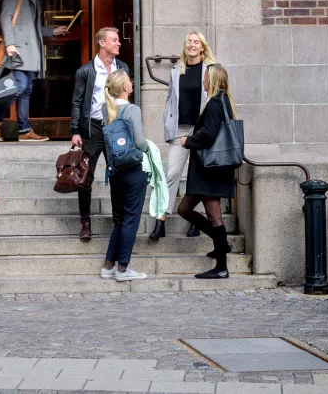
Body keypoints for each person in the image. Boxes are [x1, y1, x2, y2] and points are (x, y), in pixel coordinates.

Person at [0, 0, 67, 143]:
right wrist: (10, 44)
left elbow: (34, 28)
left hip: (30, 53)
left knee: (26, 90)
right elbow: (5, 17)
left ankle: (24, 130)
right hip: (18, 51)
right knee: (19, 85)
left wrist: (52, 31)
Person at [151, 31, 217, 240]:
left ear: (202, 48)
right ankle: (161, 221)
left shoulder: (211, 70)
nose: (191, 45)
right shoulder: (176, 69)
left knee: (198, 178)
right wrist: (167, 121)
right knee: (171, 174)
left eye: (196, 42)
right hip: (179, 130)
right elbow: (171, 98)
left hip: (201, 132)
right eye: (188, 41)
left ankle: (194, 220)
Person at [177, 64, 237, 280]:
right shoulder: (223, 101)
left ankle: (221, 267)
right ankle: (222, 244)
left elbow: (209, 135)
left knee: (214, 215)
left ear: (211, 80)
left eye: (205, 77)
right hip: (209, 170)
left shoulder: (214, 103)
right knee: (184, 209)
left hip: (209, 169)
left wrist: (188, 141)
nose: (202, 80)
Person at [70, 27, 129, 240]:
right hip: (92, 128)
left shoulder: (122, 68)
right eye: (114, 40)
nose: (119, 43)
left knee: (118, 174)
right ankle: (85, 222)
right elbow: (77, 102)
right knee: (85, 176)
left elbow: (126, 99)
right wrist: (75, 130)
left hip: (115, 127)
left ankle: (118, 221)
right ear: (102, 43)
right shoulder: (85, 71)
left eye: (118, 40)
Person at [99, 70, 148, 282]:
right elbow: (139, 142)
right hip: (133, 170)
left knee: (120, 219)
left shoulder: (105, 108)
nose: (131, 81)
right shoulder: (132, 109)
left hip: (115, 170)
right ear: (126, 88)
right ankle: (123, 267)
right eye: (129, 79)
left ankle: (109, 265)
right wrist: (150, 147)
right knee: (131, 219)